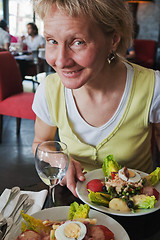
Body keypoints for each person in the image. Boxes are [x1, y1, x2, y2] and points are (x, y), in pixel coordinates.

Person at [32, 0, 160, 197]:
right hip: (73, 209)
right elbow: (40, 143)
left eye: (78, 42)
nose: (60, 61)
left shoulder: (153, 87)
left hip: (135, 209)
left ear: (113, 40)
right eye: (52, 41)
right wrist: (60, 160)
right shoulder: (49, 90)